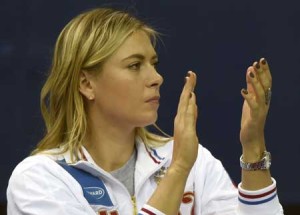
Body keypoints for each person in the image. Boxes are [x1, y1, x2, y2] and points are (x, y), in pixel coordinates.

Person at [7, 7, 284, 215]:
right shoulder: (38, 179)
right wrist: (177, 171)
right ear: (86, 83)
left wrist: (252, 146)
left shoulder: (194, 160)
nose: (157, 78)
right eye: (134, 65)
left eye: (154, 63)